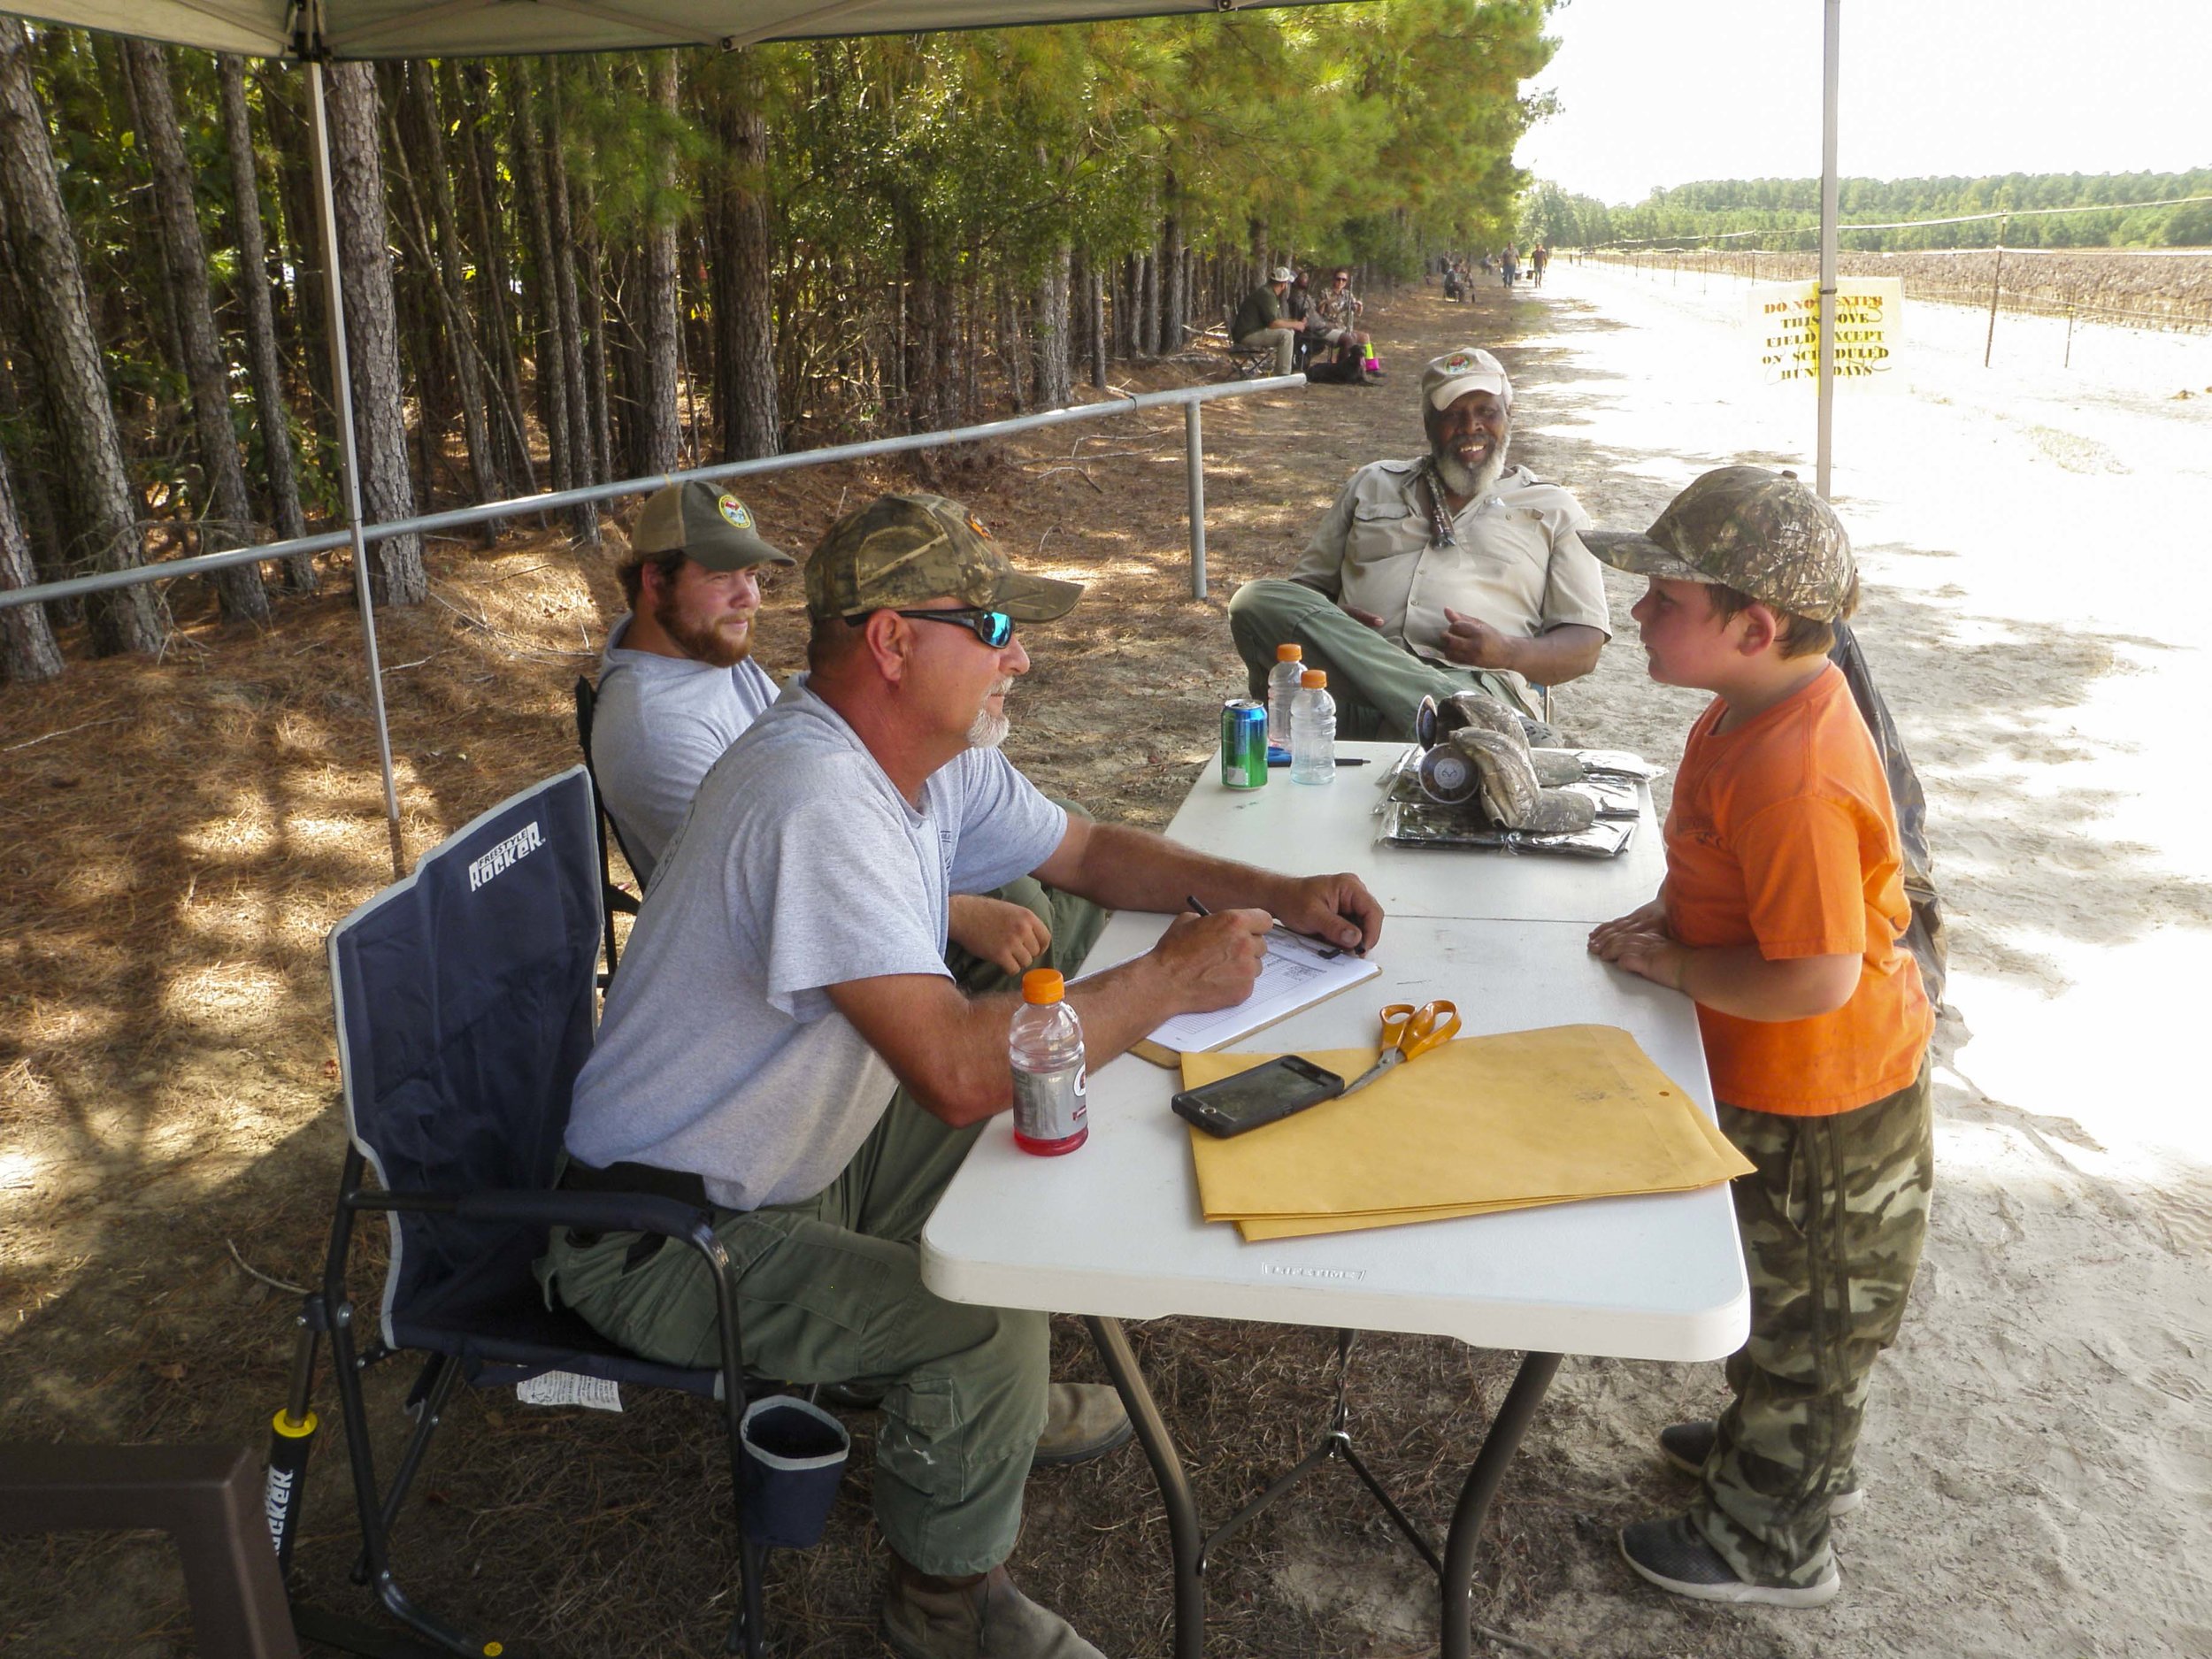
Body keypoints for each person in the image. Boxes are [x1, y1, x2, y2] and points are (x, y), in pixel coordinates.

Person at [549, 493, 1385, 1659]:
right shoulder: (817, 793)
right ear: (893, 642)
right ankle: (944, 1603)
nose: (1021, 655)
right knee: (977, 1314)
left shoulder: (916, 759)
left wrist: (1276, 891)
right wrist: (1169, 980)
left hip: (787, 1157)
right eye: (994, 625)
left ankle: (983, 1414)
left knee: (1050, 1111)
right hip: (665, 1229)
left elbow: (1088, 852)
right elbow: (947, 1070)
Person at [1584, 467, 1934, 1609]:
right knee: (1777, 1296)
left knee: (1812, 1324)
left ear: (1753, 626)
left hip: (1828, 1106)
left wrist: (1682, 965)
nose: (1637, 611)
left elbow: (1823, 973)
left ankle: (1774, 1537)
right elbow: (1731, 880)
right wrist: (1673, 919)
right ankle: (1766, 1449)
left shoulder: (1795, 768)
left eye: (1663, 598)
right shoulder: (1752, 708)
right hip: (1778, 1086)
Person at [592, 480, 1094, 994]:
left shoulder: (699, 653)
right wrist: (957, 912)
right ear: (655, 582)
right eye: (723, 577)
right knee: (1025, 906)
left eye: (752, 574)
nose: (751, 599)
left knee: (1066, 826)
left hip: (866, 842)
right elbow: (767, 889)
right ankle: (1060, 1037)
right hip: (825, 935)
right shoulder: (654, 729)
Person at [1226, 347, 1609, 738]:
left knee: (1414, 737)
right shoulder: (1372, 483)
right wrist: (1338, 627)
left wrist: (1507, 652)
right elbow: (1302, 596)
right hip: (1347, 686)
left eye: (1486, 411)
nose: (1471, 426)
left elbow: (1585, 645)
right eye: (1452, 415)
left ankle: (1457, 715)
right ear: (1428, 424)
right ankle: (1466, 722)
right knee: (1255, 601)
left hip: (1477, 683)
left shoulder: (1554, 508)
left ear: (1509, 416)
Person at [1231, 265, 1302, 374]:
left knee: (1289, 332)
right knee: (1286, 335)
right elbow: (1273, 323)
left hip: (1252, 331)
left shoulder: (1269, 293)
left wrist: (1294, 322)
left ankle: (1282, 370)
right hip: (1248, 334)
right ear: (1284, 285)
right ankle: (1283, 374)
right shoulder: (1267, 295)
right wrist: (1295, 324)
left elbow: (1277, 319)